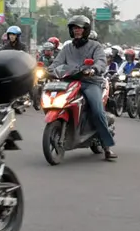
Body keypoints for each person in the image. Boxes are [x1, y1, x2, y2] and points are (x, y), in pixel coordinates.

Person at [50, 15, 116, 160]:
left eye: (80, 28)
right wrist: (47, 71)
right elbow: (56, 63)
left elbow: (101, 62)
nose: (77, 31)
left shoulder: (95, 46)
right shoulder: (67, 48)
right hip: (69, 82)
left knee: (97, 111)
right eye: (74, 28)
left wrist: (93, 69)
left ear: (85, 30)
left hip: (90, 82)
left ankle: (107, 146)